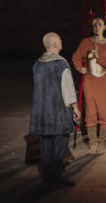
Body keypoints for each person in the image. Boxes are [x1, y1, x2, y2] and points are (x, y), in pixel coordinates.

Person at [30, 32, 80, 188]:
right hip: (58, 113)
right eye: (59, 39)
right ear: (55, 44)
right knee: (59, 144)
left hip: (42, 113)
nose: (61, 40)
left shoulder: (37, 64)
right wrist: (75, 108)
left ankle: (47, 177)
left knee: (45, 145)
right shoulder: (61, 64)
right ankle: (56, 178)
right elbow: (68, 90)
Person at [71, 14, 106, 150]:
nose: (96, 27)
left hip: (104, 82)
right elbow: (76, 57)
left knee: (103, 113)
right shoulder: (85, 42)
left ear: (104, 27)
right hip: (90, 82)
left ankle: (102, 142)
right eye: (94, 25)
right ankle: (93, 143)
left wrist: (99, 59)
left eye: (99, 25)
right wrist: (80, 68)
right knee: (90, 112)